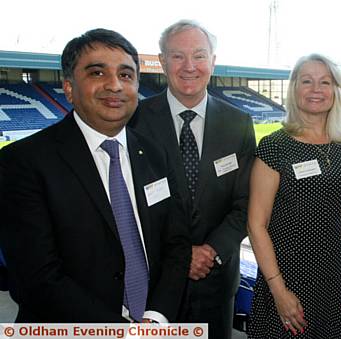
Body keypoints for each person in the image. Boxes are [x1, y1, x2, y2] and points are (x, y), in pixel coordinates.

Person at [0, 29, 190, 322]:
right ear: (68, 88)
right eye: (97, 73)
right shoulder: (23, 163)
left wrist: (156, 318)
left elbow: (176, 245)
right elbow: (36, 279)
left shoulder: (155, 154)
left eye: (126, 75)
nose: (114, 85)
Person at [129, 20, 255, 338]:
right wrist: (181, 257)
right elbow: (127, 204)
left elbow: (246, 201)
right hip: (152, 284)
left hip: (217, 282)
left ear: (213, 62)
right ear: (161, 62)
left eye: (199, 56)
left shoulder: (238, 123)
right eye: (177, 56)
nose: (189, 67)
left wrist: (210, 250)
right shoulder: (134, 120)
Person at [246, 53, 341, 338]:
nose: (316, 89)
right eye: (307, 81)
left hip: (337, 274)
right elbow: (256, 225)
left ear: (336, 90)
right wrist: (278, 290)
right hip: (288, 275)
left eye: (325, 82)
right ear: (294, 88)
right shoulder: (275, 147)